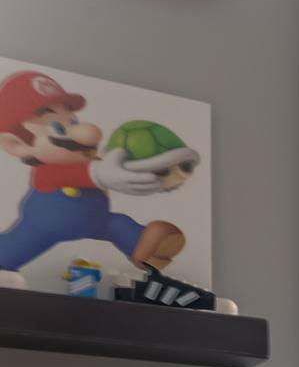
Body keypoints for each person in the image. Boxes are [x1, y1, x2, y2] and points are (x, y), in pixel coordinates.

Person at [0, 69, 192, 275]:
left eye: (73, 121)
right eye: (58, 127)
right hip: (47, 223)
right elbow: (88, 174)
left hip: (97, 219)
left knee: (119, 225)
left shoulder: (95, 163)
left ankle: (146, 247)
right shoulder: (47, 173)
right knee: (18, 245)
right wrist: (101, 173)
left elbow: (106, 172)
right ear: (17, 144)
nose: (87, 133)